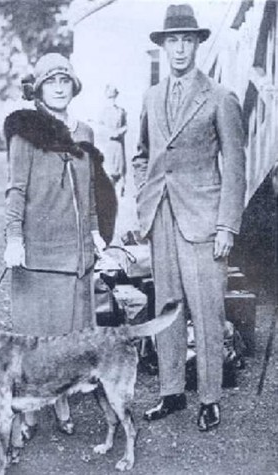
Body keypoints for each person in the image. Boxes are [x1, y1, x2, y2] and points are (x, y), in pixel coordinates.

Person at [132, 4, 246, 431]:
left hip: (204, 222)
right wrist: (143, 197)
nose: (179, 49)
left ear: (198, 44)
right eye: (172, 41)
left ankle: (210, 397)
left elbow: (235, 166)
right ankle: (172, 391)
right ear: (163, 46)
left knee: (207, 310)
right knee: (166, 308)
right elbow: (142, 155)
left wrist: (226, 226)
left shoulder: (221, 97)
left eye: (187, 40)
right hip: (161, 216)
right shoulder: (150, 96)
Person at [3, 53, 116, 440]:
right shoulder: (25, 132)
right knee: (35, 339)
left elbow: (89, 190)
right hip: (38, 255)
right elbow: (16, 189)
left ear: (73, 86)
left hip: (76, 255)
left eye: (64, 80)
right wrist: (14, 238)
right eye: (50, 81)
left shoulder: (85, 131)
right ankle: (30, 411)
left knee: (68, 340)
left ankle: (63, 403)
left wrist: (97, 233)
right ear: (39, 89)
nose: (58, 87)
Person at [99, 84, 127, 198]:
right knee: (109, 171)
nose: (112, 99)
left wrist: (120, 131)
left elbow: (125, 126)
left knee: (119, 170)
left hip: (118, 144)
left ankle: (118, 193)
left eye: (114, 96)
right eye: (110, 96)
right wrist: (109, 132)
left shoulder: (121, 111)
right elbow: (100, 127)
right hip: (108, 144)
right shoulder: (104, 112)